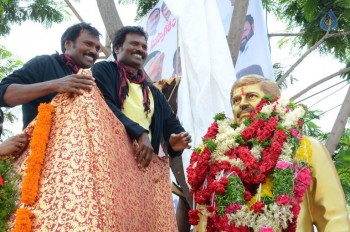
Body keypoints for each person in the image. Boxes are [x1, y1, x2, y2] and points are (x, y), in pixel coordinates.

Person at [189, 75, 350, 231]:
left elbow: (334, 218)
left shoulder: (306, 149)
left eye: (251, 96)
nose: (242, 104)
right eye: (236, 101)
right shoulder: (216, 159)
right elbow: (205, 221)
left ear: (274, 102)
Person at [0, 22, 100, 129]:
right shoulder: (44, 63)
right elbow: (3, 94)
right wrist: (54, 85)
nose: (94, 51)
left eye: (97, 48)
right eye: (88, 44)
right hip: (39, 143)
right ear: (68, 44)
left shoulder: (91, 81)